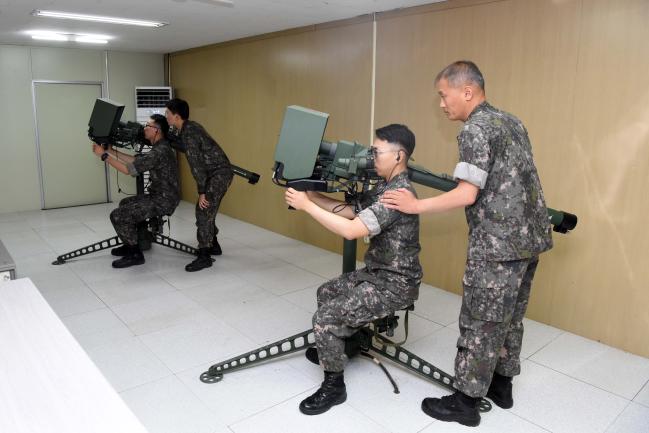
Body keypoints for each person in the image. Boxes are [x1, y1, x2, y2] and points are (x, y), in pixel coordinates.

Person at [380, 61, 553, 427]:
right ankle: (502, 385)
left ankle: (465, 401)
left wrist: (415, 205)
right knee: (509, 316)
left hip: (498, 244)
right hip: (529, 239)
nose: (442, 104)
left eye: (444, 95)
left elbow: (466, 193)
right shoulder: (511, 121)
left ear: (467, 91)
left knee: (480, 320)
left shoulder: (475, 129)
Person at [285, 124, 422, 415]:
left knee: (324, 317)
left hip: (394, 284)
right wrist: (308, 196)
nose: (371, 156)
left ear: (398, 156)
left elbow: (351, 230)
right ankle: (346, 345)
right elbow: (349, 210)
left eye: (376, 151)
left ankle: (334, 387)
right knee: (326, 292)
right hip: (377, 274)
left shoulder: (397, 194)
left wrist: (307, 207)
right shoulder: (383, 187)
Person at [92, 114, 180, 268]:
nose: (144, 128)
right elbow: (138, 162)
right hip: (159, 196)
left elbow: (129, 170)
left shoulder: (160, 151)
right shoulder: (160, 147)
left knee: (118, 215)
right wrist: (112, 151)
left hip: (163, 200)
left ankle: (135, 254)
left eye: (148, 125)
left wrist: (104, 155)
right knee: (125, 203)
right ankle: (132, 243)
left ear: (157, 130)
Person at [165, 98, 233, 272]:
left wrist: (202, 191)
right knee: (208, 211)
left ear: (177, 116)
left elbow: (197, 166)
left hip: (218, 174)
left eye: (168, 114)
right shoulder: (189, 127)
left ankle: (204, 256)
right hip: (215, 173)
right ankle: (214, 245)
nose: (166, 117)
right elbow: (183, 146)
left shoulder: (189, 133)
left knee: (203, 210)